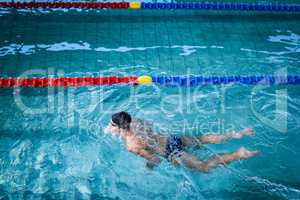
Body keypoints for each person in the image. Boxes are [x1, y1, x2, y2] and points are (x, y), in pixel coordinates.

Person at [105, 111, 259, 172]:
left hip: (172, 152)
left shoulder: (131, 145)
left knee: (203, 167)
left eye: (112, 124)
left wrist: (148, 168)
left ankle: (238, 154)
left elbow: (156, 159)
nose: (110, 127)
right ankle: (237, 134)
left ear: (119, 127)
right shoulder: (137, 121)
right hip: (172, 139)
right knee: (201, 140)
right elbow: (152, 128)